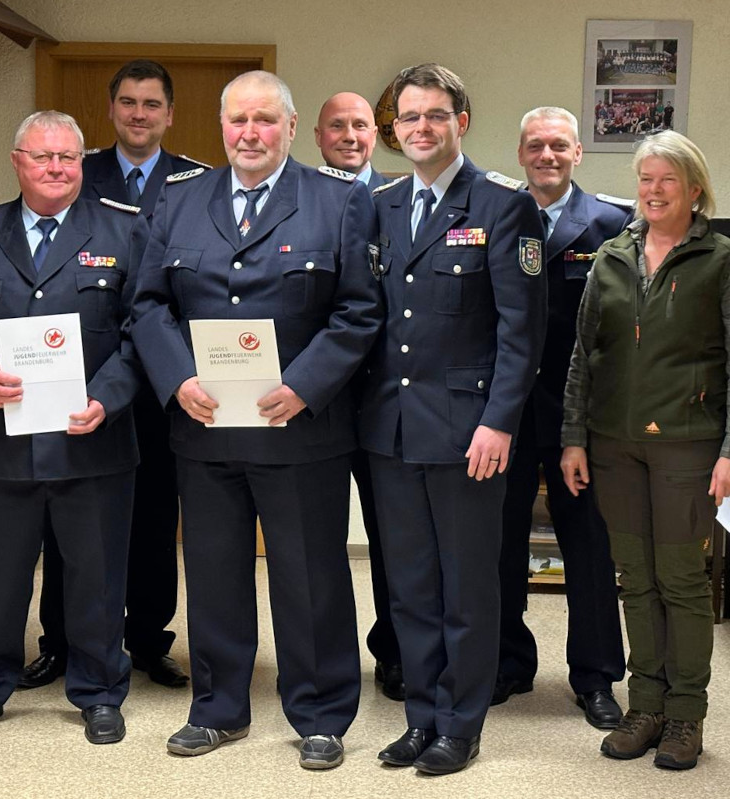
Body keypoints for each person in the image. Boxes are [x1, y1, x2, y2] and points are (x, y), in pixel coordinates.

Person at [131, 70, 381, 770]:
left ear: (291, 127)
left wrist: (305, 384)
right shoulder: (178, 202)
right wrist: (177, 376)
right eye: (237, 120)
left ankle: (322, 712)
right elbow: (147, 305)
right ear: (220, 127)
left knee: (311, 577)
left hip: (301, 429)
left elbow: (360, 310)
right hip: (204, 427)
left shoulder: (337, 202)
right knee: (212, 573)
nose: (249, 133)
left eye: (265, 120)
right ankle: (216, 708)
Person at [0, 110, 147, 745]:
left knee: (98, 577)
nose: (56, 168)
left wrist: (107, 397)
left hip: (94, 440)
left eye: (68, 158)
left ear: (82, 164)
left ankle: (101, 691)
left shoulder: (125, 231)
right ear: (17, 161)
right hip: (2, 442)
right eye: (43, 157)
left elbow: (144, 332)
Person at [359, 63, 546, 775]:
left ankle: (461, 725)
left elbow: (519, 332)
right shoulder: (379, 204)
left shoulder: (501, 204)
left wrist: (499, 422)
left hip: (470, 430)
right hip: (393, 428)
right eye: (409, 118)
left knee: (467, 586)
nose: (421, 128)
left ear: (460, 123)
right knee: (407, 585)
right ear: (395, 128)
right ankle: (421, 717)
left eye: (435, 115)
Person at [561, 130, 730, 771]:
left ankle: (686, 717)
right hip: (614, 445)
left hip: (688, 445)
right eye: (645, 180)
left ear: (694, 189)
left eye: (666, 180)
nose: (652, 190)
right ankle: (644, 706)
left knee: (679, 580)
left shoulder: (725, 260)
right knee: (634, 579)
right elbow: (582, 358)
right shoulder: (612, 257)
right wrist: (573, 436)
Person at [21, 59, 200, 692]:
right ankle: (61, 641)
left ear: (169, 114)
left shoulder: (196, 182)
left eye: (152, 104)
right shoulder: (74, 168)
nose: (139, 114)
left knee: (155, 513)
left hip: (161, 383)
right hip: (81, 377)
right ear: (112, 109)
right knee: (66, 515)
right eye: (127, 102)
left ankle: (149, 639)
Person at [495, 106, 629, 729]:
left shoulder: (613, 223)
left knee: (590, 546)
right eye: (534, 146)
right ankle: (505, 663)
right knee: (498, 543)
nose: (546, 155)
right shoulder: (495, 214)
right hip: (507, 412)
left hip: (582, 415)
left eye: (558, 146)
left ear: (578, 153)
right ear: (519, 154)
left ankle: (597, 676)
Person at [313, 90, 402, 701]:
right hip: (314, 401)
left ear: (378, 134)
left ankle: (396, 652)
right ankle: (324, 662)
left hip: (386, 399)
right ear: (315, 136)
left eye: (361, 125)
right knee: (315, 543)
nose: (350, 135)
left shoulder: (400, 198)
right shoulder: (300, 201)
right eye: (337, 126)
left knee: (393, 540)